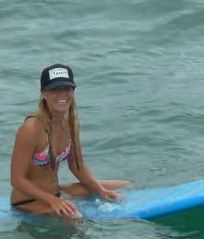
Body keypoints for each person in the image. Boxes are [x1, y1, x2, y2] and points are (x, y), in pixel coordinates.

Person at [10, 64, 131, 218]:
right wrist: (53, 201)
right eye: (55, 89)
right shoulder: (31, 128)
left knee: (124, 185)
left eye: (67, 89)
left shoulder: (70, 124)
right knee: (75, 217)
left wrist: (101, 191)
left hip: (57, 192)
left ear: (73, 92)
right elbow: (17, 180)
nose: (62, 94)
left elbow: (76, 164)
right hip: (28, 201)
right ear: (43, 94)